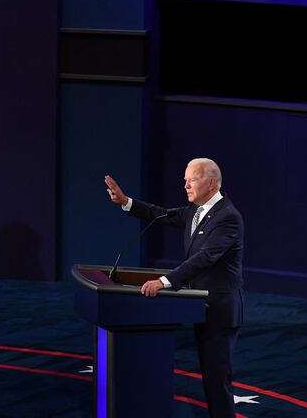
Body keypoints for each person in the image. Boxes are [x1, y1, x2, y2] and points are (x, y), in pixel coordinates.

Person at [104, 158, 244, 418]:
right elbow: (161, 213)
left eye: (192, 179)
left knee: (217, 381)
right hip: (199, 306)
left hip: (220, 310)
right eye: (184, 180)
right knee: (209, 378)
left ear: (211, 182)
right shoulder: (195, 210)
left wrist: (165, 282)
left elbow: (205, 257)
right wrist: (126, 202)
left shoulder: (228, 218)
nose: (186, 185)